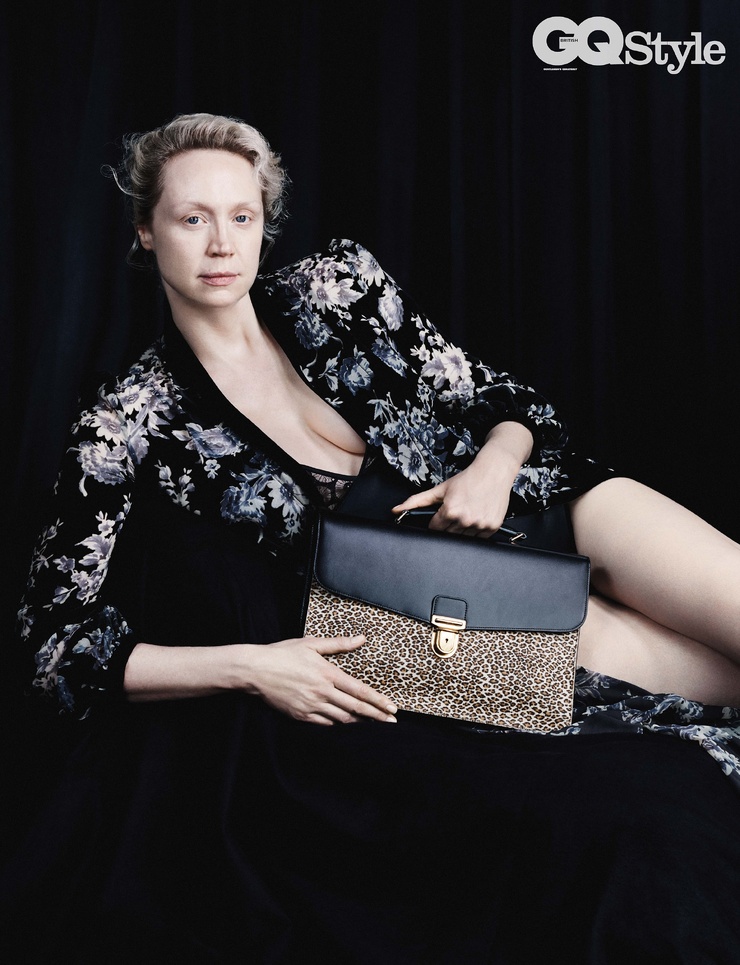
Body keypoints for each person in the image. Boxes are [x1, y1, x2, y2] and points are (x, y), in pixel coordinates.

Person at [5, 112, 740, 963]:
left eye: (241, 216)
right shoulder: (130, 423)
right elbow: (51, 643)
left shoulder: (338, 286)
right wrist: (251, 664)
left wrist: (492, 466)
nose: (221, 244)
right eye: (192, 217)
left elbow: (505, 400)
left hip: (550, 509)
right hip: (478, 615)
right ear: (145, 229)